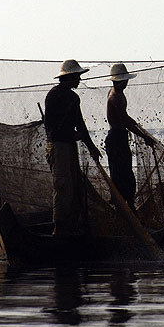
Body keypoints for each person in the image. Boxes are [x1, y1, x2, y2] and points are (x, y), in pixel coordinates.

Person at [44, 59, 101, 236]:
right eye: (77, 77)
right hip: (59, 146)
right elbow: (57, 128)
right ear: (70, 77)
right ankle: (59, 228)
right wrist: (81, 140)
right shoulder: (57, 96)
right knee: (62, 185)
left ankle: (69, 225)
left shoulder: (69, 96)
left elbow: (79, 125)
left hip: (66, 145)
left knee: (72, 184)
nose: (79, 80)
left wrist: (90, 145)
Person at [105, 63, 155, 213]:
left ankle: (127, 206)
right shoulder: (116, 97)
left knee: (123, 173)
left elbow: (125, 118)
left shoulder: (116, 93)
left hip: (118, 137)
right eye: (125, 80)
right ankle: (126, 208)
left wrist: (135, 124)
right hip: (116, 139)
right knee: (122, 175)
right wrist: (144, 136)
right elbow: (124, 121)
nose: (127, 83)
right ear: (120, 81)